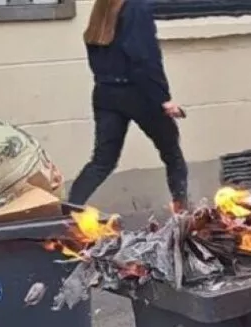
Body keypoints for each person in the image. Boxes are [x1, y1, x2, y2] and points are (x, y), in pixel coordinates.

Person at [68, 0, 189, 211]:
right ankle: (183, 215)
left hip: (105, 92)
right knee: (172, 155)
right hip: (138, 93)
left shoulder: (102, 9)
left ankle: (69, 210)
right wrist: (163, 98)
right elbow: (145, 58)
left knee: (102, 161)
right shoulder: (137, 8)